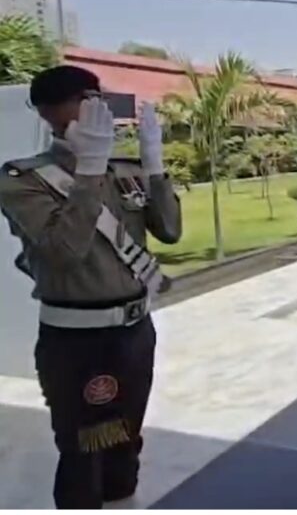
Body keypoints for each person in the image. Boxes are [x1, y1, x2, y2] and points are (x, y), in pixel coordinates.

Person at [0, 66, 181, 509]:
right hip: (77, 340)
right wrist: (88, 172)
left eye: (97, 95)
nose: (95, 105)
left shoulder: (124, 171)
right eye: (83, 97)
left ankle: (123, 499)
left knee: (126, 438)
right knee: (83, 449)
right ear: (50, 113)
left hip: (134, 332)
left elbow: (171, 231)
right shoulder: (23, 179)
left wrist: (155, 168)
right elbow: (64, 251)